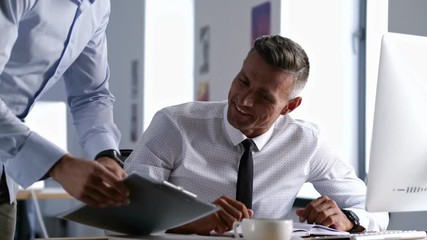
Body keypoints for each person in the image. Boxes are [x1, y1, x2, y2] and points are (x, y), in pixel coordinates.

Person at [124, 35, 389, 235]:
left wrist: (348, 219)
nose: (245, 101)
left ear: (289, 107)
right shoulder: (175, 125)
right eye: (243, 81)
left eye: (264, 96)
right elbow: (126, 211)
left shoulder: (306, 143)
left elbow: (376, 210)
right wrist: (199, 220)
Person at [0, 1, 130, 239]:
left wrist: (106, 155)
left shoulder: (99, 7)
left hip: (4, 172)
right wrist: (59, 165)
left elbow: (90, 95)